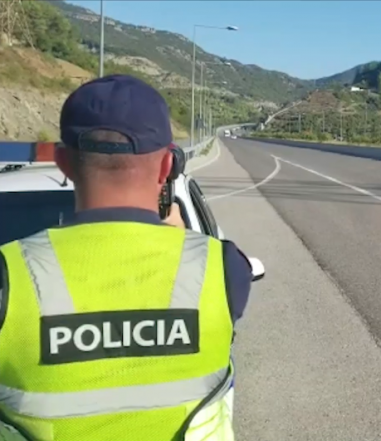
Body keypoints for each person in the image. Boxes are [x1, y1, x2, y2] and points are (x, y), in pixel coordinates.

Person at [0, 74, 253, 441]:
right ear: (167, 167)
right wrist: (185, 244)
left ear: (62, 162)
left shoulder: (8, 274)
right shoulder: (223, 269)